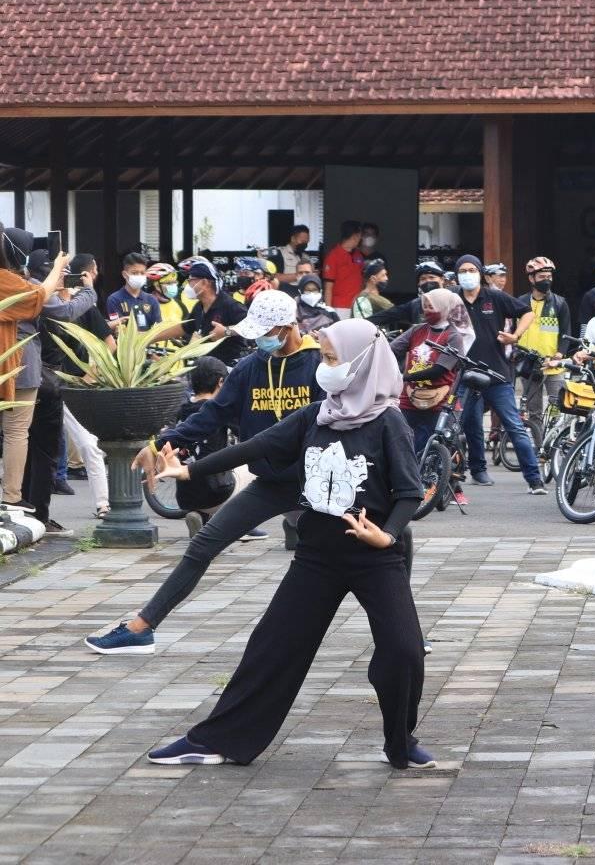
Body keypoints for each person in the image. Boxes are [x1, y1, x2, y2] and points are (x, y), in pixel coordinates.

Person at [143, 319, 430, 769]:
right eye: (325, 358)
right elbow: (255, 446)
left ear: (361, 364)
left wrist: (387, 534)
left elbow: (411, 492)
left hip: (375, 558)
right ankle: (217, 739)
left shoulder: (388, 422)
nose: (326, 367)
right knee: (271, 648)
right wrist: (188, 470)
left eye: (333, 359)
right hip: (315, 558)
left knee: (403, 652)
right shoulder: (317, 415)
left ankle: (401, 740)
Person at [85, 291, 324, 655]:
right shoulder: (250, 368)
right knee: (203, 545)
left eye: (265, 331)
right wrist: (160, 442)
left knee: (383, 545)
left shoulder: (318, 365)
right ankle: (142, 628)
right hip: (271, 483)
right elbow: (210, 415)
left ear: (288, 326)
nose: (259, 339)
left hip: (319, 482)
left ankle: (404, 635)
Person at [16, 240, 96, 532]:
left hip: (25, 377)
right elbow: (67, 313)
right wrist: (88, 291)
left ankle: (22, 508)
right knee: (45, 451)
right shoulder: (41, 295)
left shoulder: (22, 288)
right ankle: (38, 515)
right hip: (45, 380)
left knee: (22, 445)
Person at [452, 255, 542, 493]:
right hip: (463, 373)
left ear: (480, 272)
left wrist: (516, 336)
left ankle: (534, 479)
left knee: (514, 426)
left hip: (496, 374)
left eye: (472, 269)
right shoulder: (452, 299)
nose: (468, 274)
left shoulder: (495, 297)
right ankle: (474, 472)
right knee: (462, 425)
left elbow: (528, 313)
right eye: (463, 270)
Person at [393, 288, 474, 503]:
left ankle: (454, 488)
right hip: (410, 398)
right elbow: (393, 349)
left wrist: (406, 376)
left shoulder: (453, 337)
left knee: (448, 443)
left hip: (440, 399)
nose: (426, 309)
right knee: (404, 441)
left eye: (431, 306)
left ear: (444, 308)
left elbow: (441, 369)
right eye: (424, 305)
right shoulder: (416, 331)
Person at [0, 232, 60, 515]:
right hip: (10, 366)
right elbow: (38, 297)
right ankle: (11, 496)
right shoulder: (5, 280)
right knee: (16, 432)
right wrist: (59, 266)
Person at [169, 357, 237, 537]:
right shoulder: (220, 410)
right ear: (221, 382)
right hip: (216, 492)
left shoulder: (182, 409)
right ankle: (230, 523)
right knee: (251, 465)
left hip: (185, 496)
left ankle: (199, 515)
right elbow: (246, 434)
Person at [515, 256, 571, 425]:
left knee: (558, 409)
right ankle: (539, 449)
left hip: (553, 365)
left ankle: (554, 448)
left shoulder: (560, 303)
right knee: (534, 413)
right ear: (531, 278)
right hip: (529, 364)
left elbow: (565, 332)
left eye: (549, 277)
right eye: (541, 277)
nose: (546, 281)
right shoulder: (520, 303)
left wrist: (560, 354)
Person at [159, 260, 248, 364]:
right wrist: (148, 338)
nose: (188, 285)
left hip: (230, 369)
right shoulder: (199, 307)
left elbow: (251, 326)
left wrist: (226, 331)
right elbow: (184, 328)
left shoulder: (231, 306)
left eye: (191, 280)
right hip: (207, 370)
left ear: (205, 282)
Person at [368, 261, 447, 331]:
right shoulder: (416, 305)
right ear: (419, 283)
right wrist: (361, 322)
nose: (428, 281)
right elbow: (387, 315)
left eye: (432, 277)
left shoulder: (455, 297)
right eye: (423, 279)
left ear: (442, 279)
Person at [105, 252, 162, 332]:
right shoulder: (114, 299)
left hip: (150, 343)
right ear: (125, 274)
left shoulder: (152, 300)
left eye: (142, 273)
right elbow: (118, 328)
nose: (139, 276)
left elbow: (158, 328)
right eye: (134, 273)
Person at [321, 220, 366, 317]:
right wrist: (329, 311)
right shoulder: (333, 256)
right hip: (339, 307)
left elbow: (362, 280)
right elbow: (328, 287)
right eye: (360, 235)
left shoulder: (358, 255)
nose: (361, 238)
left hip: (358, 306)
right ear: (355, 236)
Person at [147, 262, 194, 326]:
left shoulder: (179, 305)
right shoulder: (146, 306)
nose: (173, 285)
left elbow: (188, 330)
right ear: (157, 286)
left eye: (174, 282)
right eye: (169, 283)